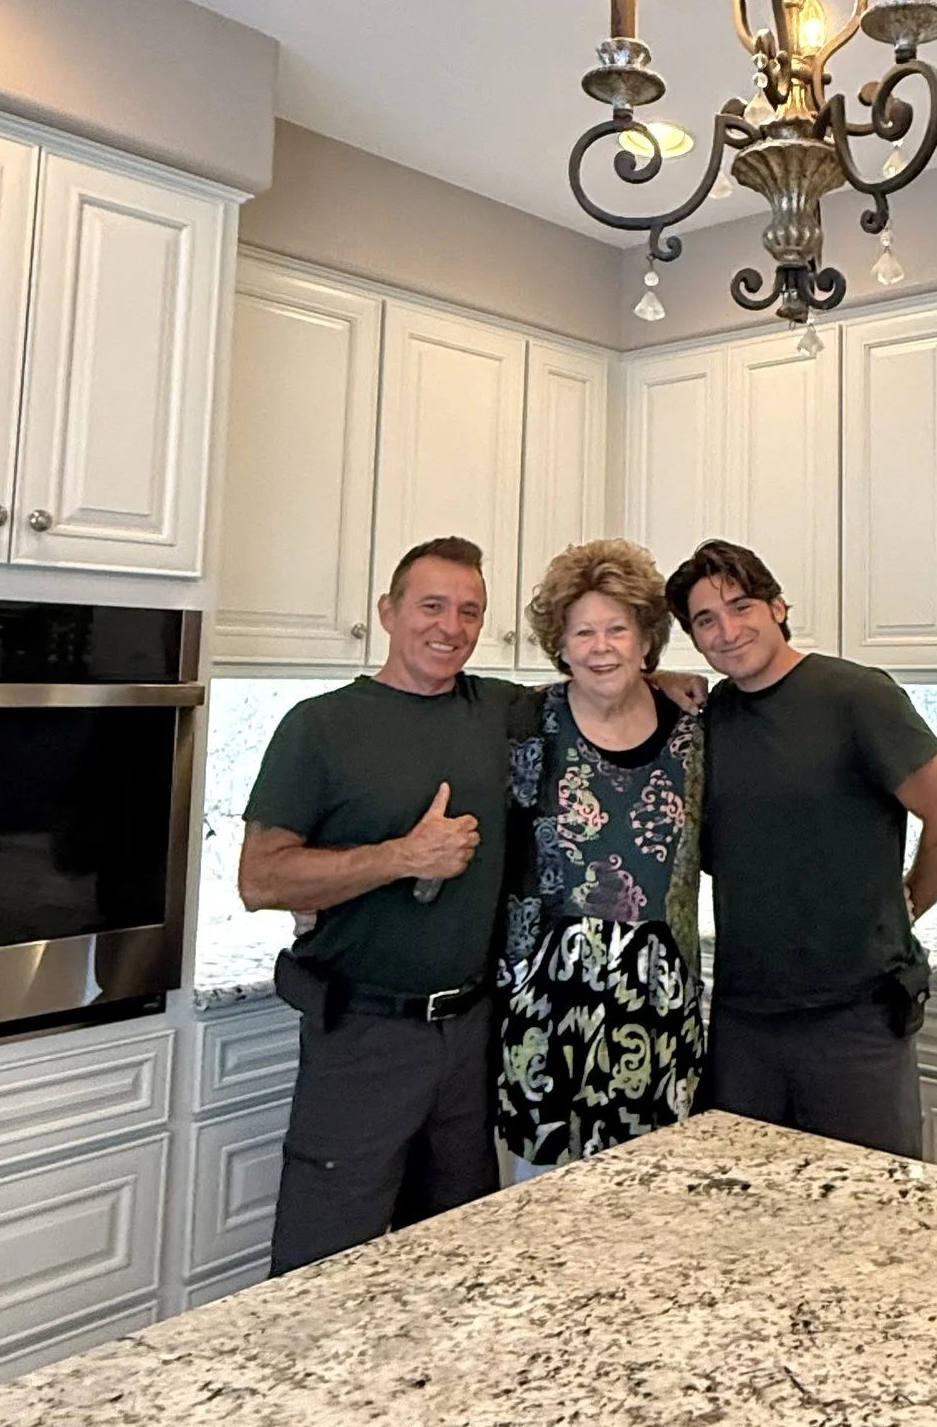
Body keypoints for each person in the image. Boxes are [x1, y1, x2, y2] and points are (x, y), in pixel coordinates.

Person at [238, 535, 535, 1274]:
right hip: (363, 1036)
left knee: (453, 1261)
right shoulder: (321, 726)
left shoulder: (498, 709)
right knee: (322, 1269)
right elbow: (261, 879)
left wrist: (664, 677)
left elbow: (600, 685)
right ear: (387, 611)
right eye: (432, 605)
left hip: (470, 1035)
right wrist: (402, 856)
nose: (451, 627)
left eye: (470, 611)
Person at [664, 538, 937, 1159]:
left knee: (870, 1198)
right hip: (744, 1019)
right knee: (747, 1196)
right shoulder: (710, 718)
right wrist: (655, 679)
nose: (728, 630)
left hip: (854, 1017)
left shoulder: (856, 697)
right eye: (706, 620)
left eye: (741, 607)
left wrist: (906, 905)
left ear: (778, 608)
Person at [496, 539, 706, 1169]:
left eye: (618, 629)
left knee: (651, 1189)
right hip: (543, 1001)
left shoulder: (696, 730)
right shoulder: (522, 720)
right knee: (538, 1194)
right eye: (582, 632)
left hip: (660, 999)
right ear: (560, 645)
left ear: (646, 639)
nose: (601, 647)